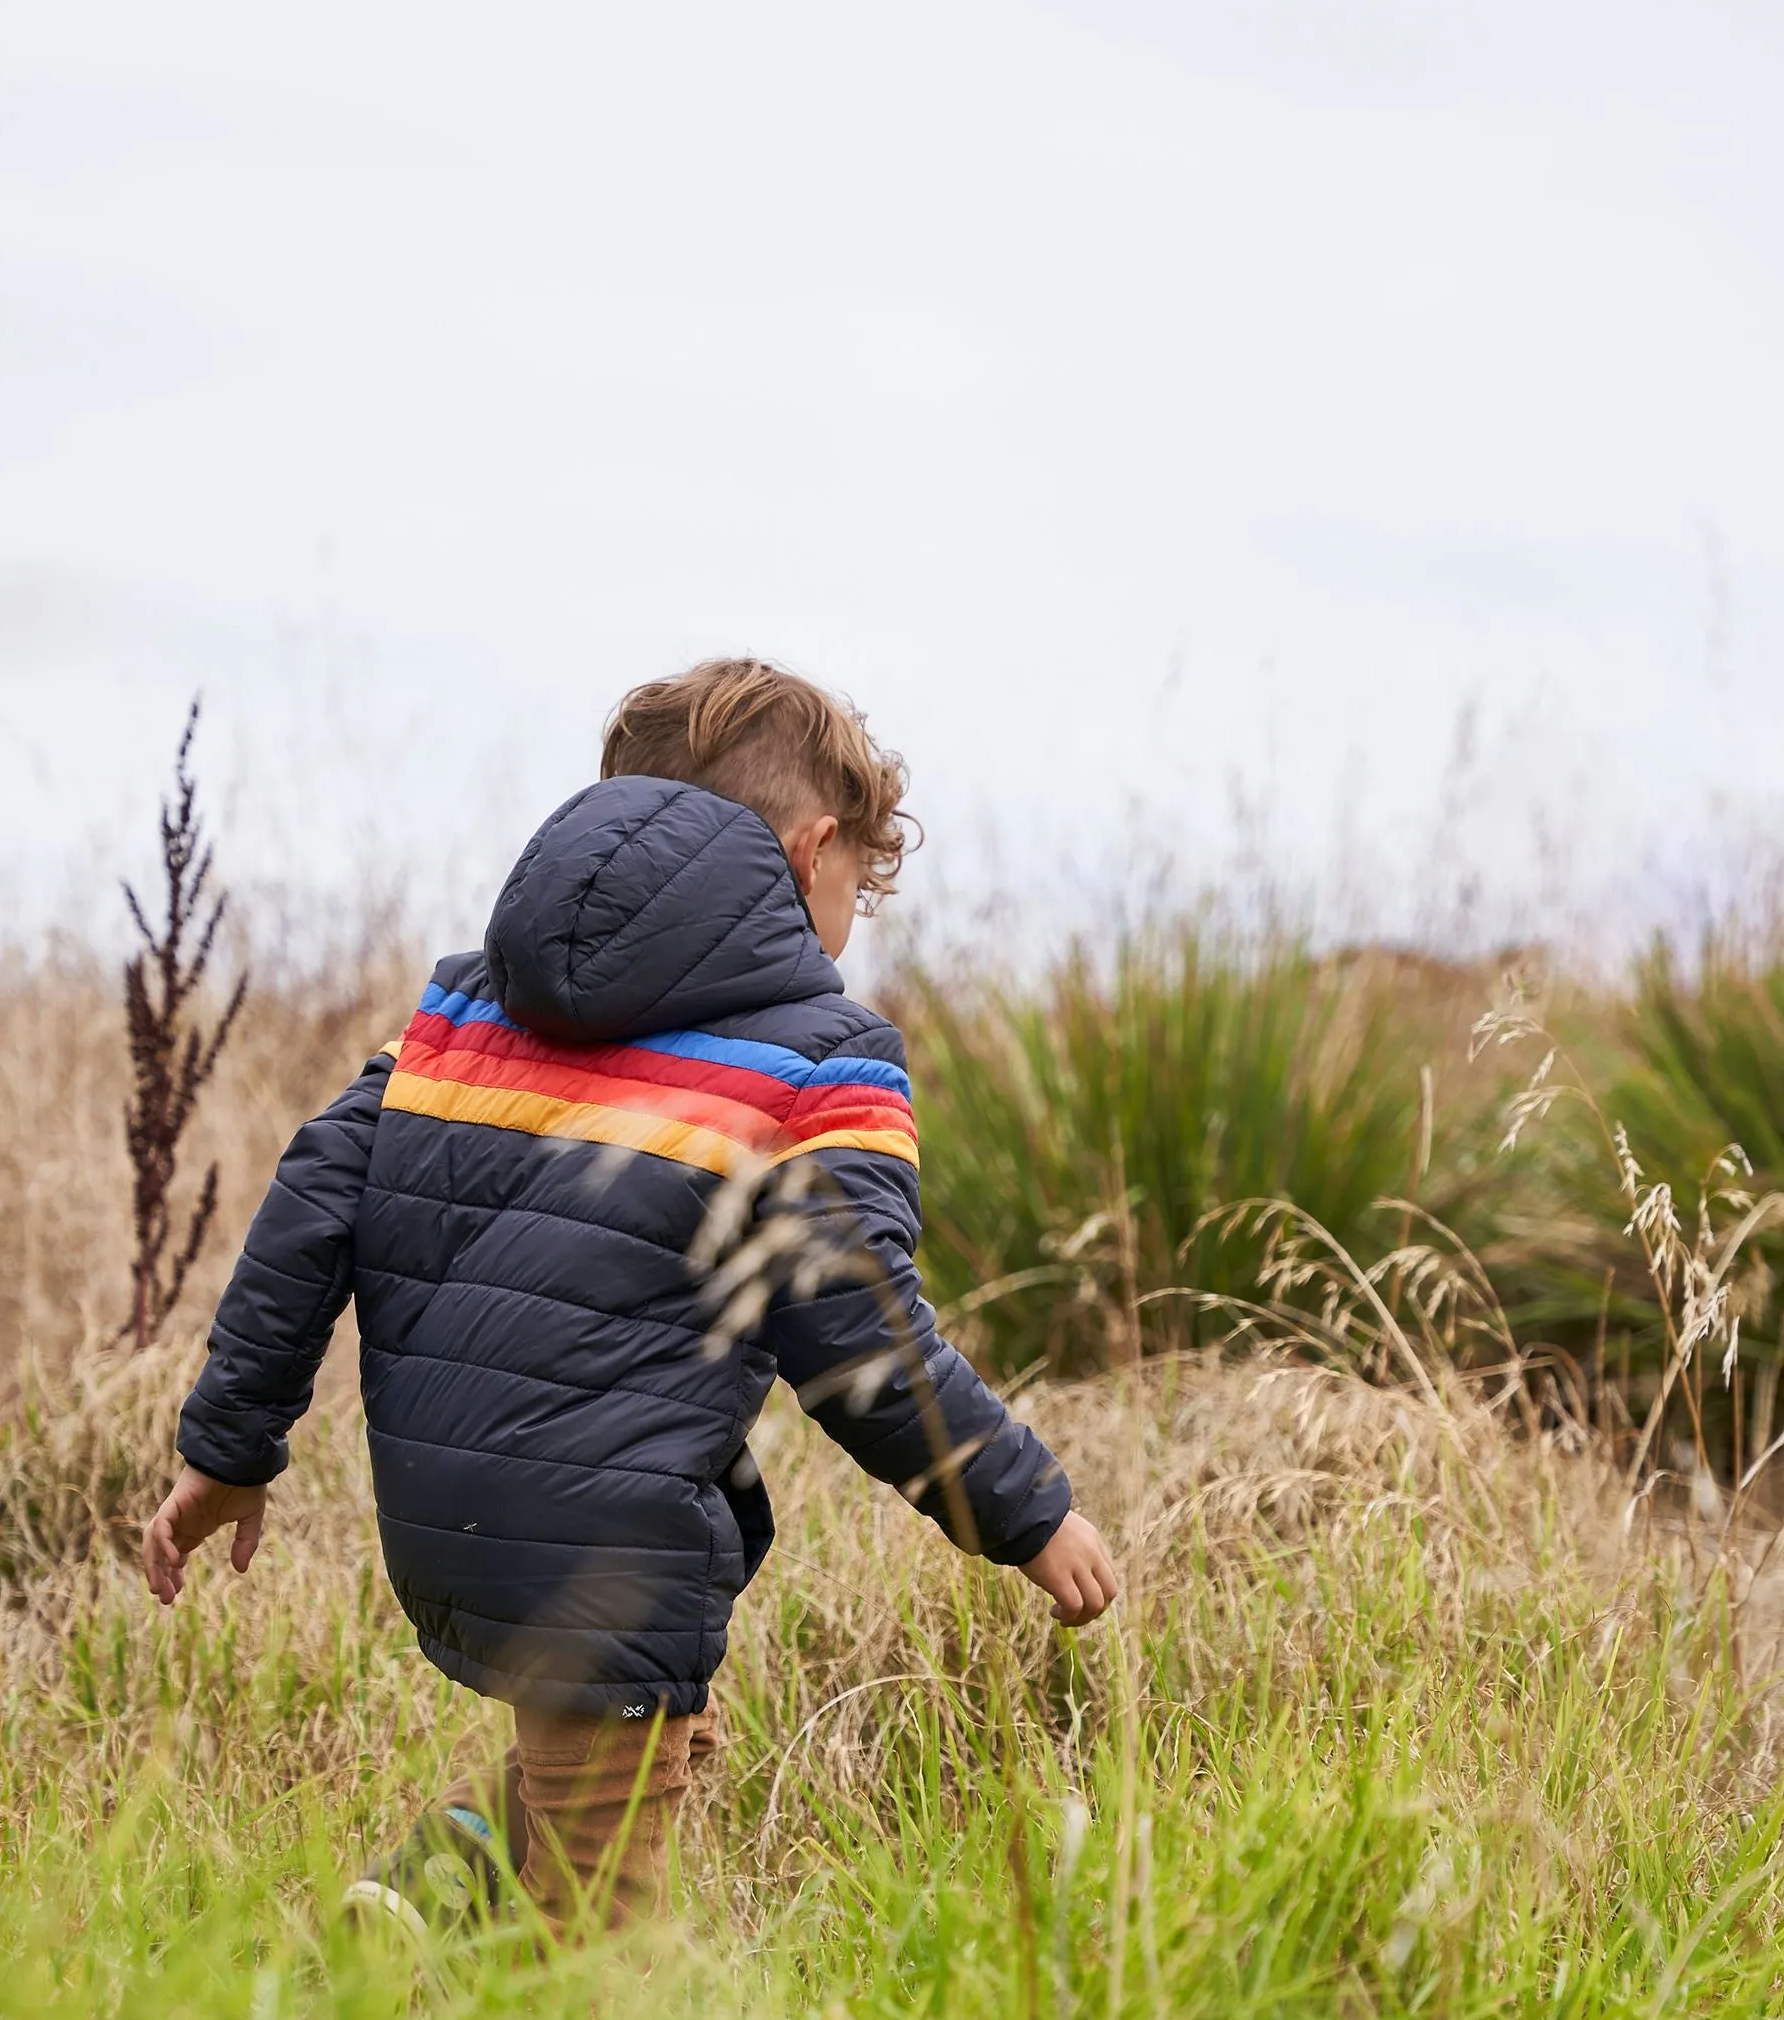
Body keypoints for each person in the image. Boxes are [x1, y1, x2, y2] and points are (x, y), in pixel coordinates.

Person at [141, 658, 1118, 1924]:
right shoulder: (820, 1059)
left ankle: (425, 1898)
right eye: (850, 892)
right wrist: (1025, 1509)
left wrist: (230, 1450)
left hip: (445, 1510)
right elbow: (860, 1334)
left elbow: (306, 1211)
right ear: (815, 848)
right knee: (604, 1949)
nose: (842, 926)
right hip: (606, 1545)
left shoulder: (459, 1009)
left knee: (629, 1742)